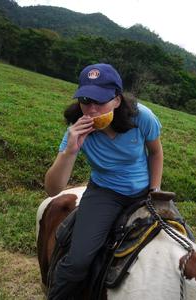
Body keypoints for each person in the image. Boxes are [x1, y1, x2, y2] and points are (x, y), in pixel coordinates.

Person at [44, 63, 163, 299]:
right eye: (85, 100)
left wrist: (155, 190)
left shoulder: (142, 117)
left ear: (117, 100)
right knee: (78, 262)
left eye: (100, 102)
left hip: (142, 193)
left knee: (179, 242)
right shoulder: (76, 130)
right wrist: (70, 150)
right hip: (104, 193)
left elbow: (156, 153)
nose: (91, 110)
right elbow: (52, 188)